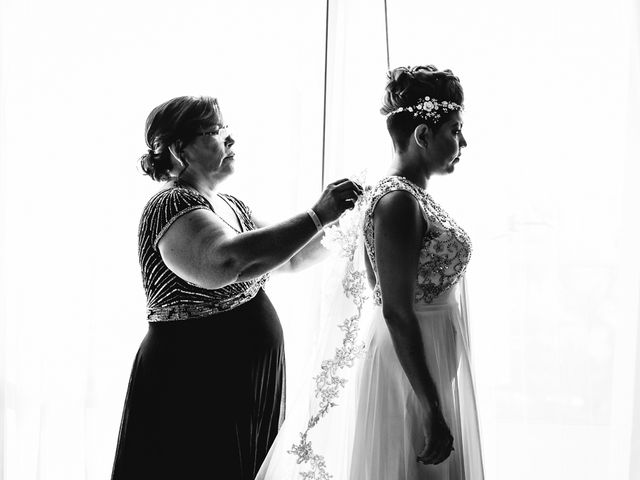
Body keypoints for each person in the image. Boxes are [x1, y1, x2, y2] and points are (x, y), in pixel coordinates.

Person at [110, 95, 362, 480]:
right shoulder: (170, 203)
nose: (231, 141)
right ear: (180, 149)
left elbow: (291, 258)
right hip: (195, 379)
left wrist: (351, 224)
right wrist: (317, 214)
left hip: (247, 379)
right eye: (215, 131)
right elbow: (224, 262)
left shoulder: (233, 206)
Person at [257, 65, 484, 480]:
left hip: (429, 357)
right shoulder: (397, 201)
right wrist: (431, 407)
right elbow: (396, 310)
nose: (463, 141)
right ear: (422, 135)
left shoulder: (413, 197)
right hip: (408, 366)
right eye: (455, 129)